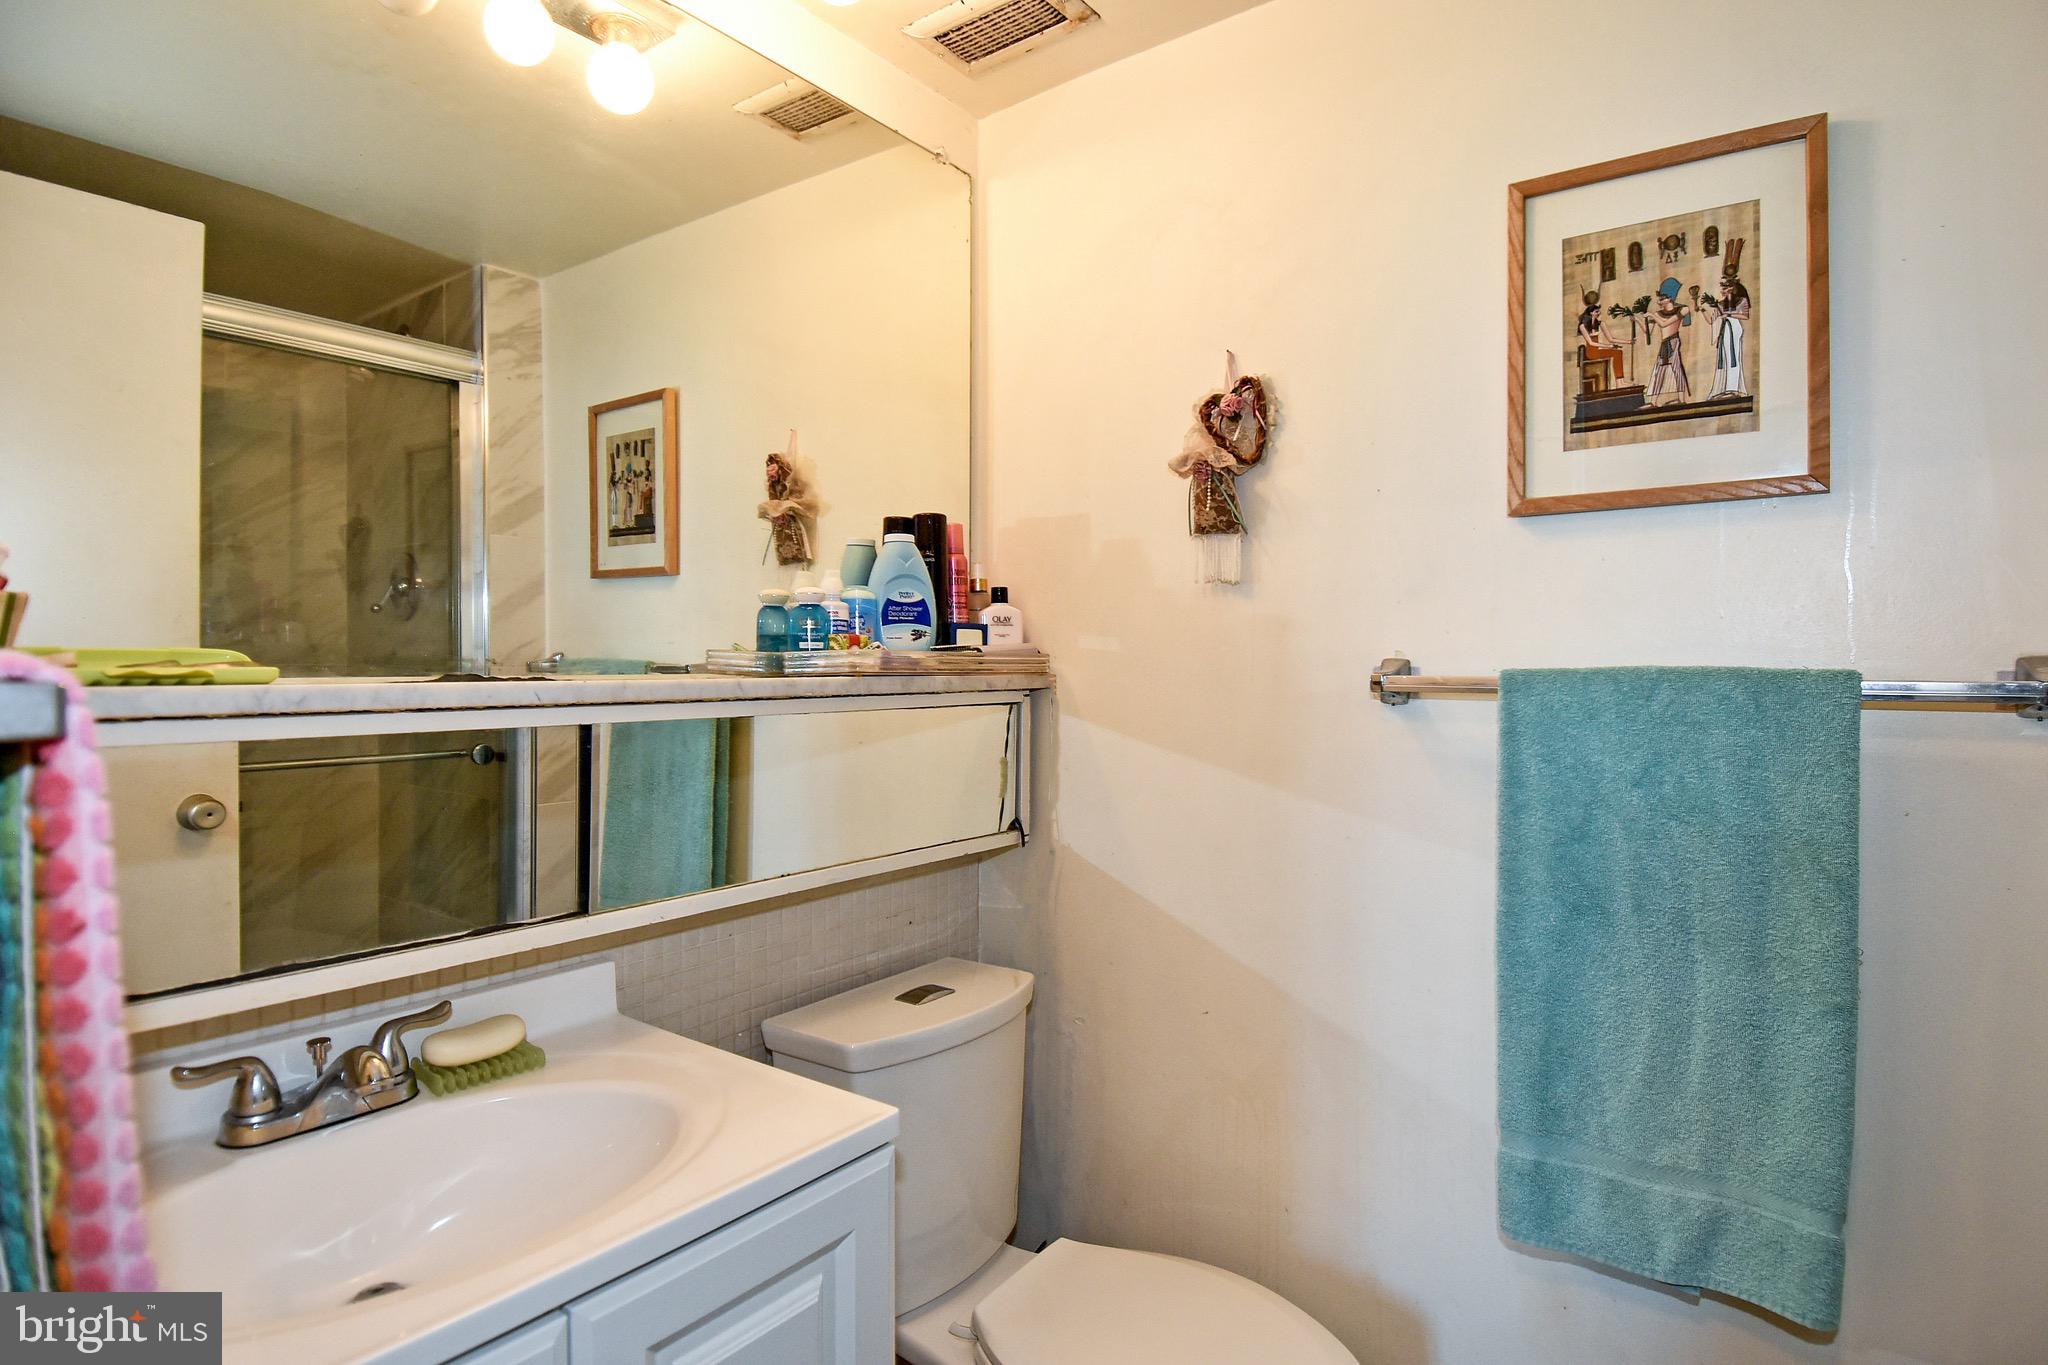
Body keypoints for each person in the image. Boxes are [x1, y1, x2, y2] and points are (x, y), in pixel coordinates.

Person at [1702, 267, 1752, 398]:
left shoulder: (1741, 300)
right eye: (1722, 288)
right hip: (1724, 329)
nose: (1722, 290)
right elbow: (1712, 320)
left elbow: (1745, 316)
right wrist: (1702, 310)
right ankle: (1723, 388)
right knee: (1723, 358)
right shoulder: (1720, 303)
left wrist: (1729, 315)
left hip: (1733, 327)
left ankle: (1733, 388)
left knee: (1733, 356)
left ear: (1731, 288)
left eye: (1725, 288)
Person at [1646, 277, 1691, 405]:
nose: (1659, 301)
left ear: (1670, 298)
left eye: (1662, 298)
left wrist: (1652, 315)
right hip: (1664, 343)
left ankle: (1681, 399)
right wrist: (1636, 319)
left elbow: (1664, 324)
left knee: (1676, 369)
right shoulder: (1658, 313)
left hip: (1673, 341)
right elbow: (1647, 331)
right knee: (1659, 371)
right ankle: (1653, 402)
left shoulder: (1682, 309)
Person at [1575, 290, 1628, 387]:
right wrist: (1608, 346)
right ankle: (1619, 383)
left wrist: (1628, 342)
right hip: (1591, 353)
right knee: (1616, 353)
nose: (1599, 313)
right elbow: (1591, 343)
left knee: (1618, 352)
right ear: (1591, 313)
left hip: (1598, 351)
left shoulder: (1600, 324)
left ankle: (1620, 382)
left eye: (1598, 311)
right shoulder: (1582, 326)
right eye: (1596, 311)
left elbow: (1611, 339)